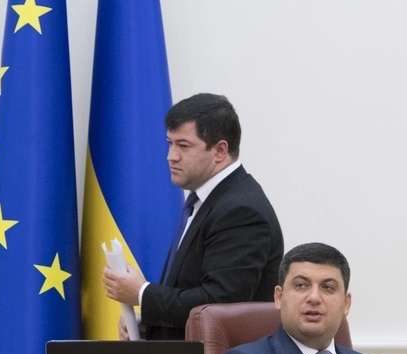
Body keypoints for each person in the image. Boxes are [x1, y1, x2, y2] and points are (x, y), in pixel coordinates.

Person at [103, 93, 284, 340]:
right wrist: (145, 321)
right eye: (170, 143)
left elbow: (219, 304)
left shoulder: (240, 210)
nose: (171, 156)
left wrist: (142, 294)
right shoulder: (205, 198)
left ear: (220, 151)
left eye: (183, 146)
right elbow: (189, 291)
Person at [223, 242, 395, 354]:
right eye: (301, 285)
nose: (314, 298)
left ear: (346, 304)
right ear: (279, 297)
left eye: (328, 287)